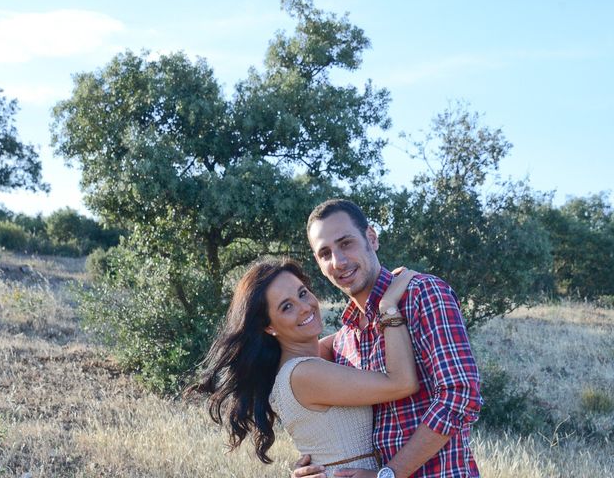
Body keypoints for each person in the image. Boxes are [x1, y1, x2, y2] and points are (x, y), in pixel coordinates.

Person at [293, 199, 483, 478]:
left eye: (346, 243)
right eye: (325, 253)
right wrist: (315, 466)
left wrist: (389, 474)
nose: (339, 261)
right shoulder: (345, 340)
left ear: (371, 237)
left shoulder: (422, 294)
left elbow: (460, 396)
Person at [194, 258, 420, 476]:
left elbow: (354, 332)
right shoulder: (303, 373)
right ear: (269, 327)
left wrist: (374, 286)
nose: (305, 307)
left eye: (302, 293)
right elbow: (402, 383)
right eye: (287, 307)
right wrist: (388, 306)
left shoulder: (310, 359)